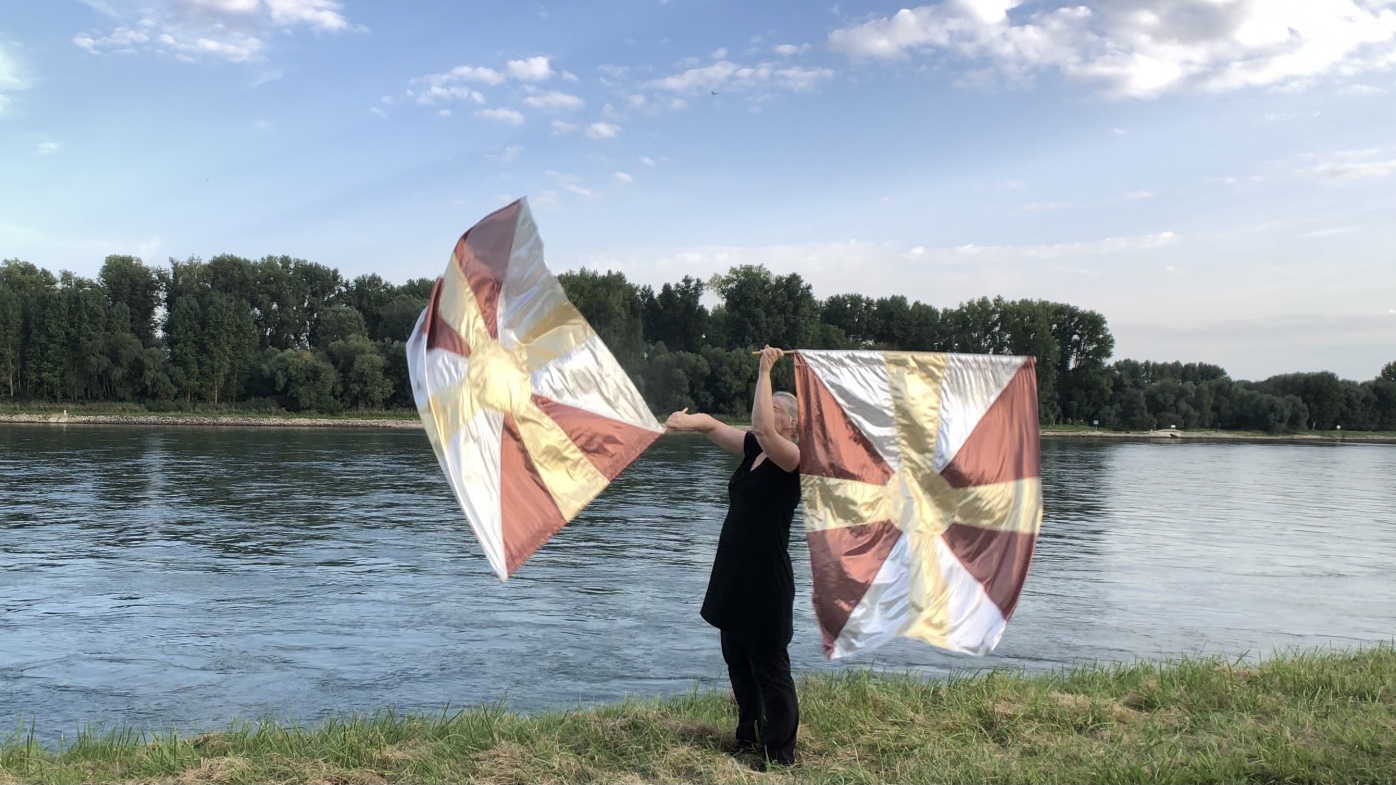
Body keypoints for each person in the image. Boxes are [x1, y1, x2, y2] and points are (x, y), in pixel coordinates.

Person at [664, 344, 802, 767]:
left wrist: (765, 371)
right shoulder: (754, 450)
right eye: (768, 405)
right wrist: (686, 422)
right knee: (738, 661)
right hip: (735, 573)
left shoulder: (791, 457)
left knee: (770, 667)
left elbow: (762, 428)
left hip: (766, 579)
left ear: (792, 423)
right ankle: (748, 737)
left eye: (775, 408)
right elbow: (712, 425)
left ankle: (779, 753)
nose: (767, 412)